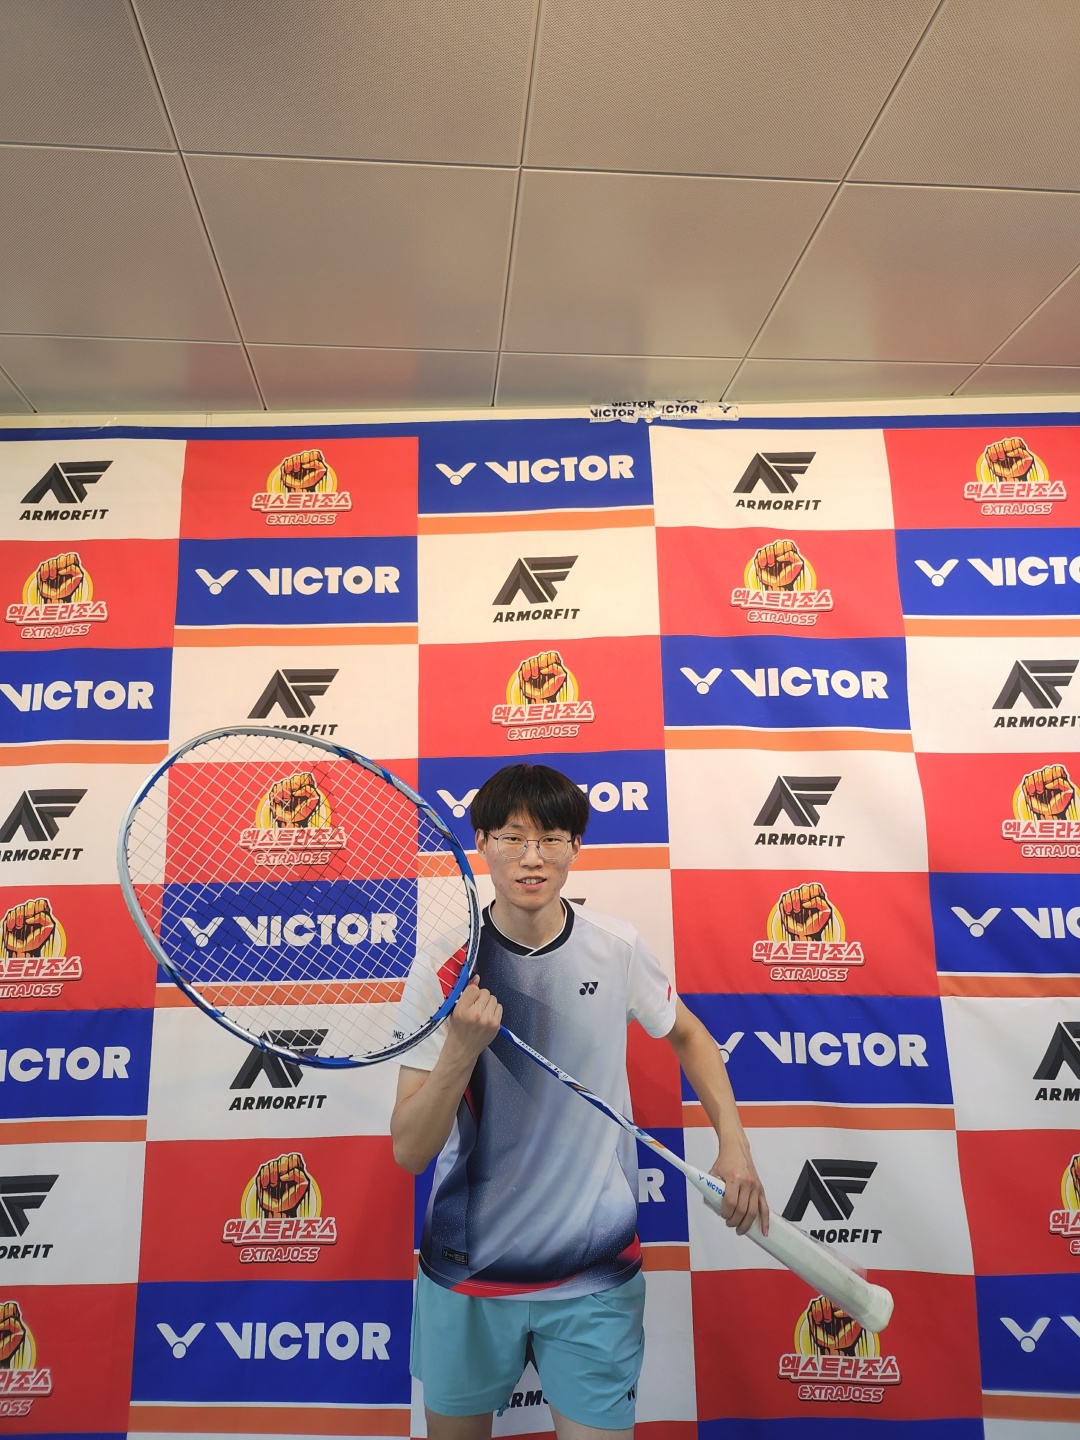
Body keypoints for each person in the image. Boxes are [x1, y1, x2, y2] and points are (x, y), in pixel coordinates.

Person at [392, 762, 768, 1440]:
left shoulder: (615, 947)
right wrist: (460, 1051)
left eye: (551, 838)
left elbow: (690, 1034)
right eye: (512, 838)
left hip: (595, 1271)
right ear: (482, 843)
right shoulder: (444, 966)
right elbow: (410, 1151)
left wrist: (734, 1145)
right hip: (467, 1270)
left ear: (576, 847)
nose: (532, 857)